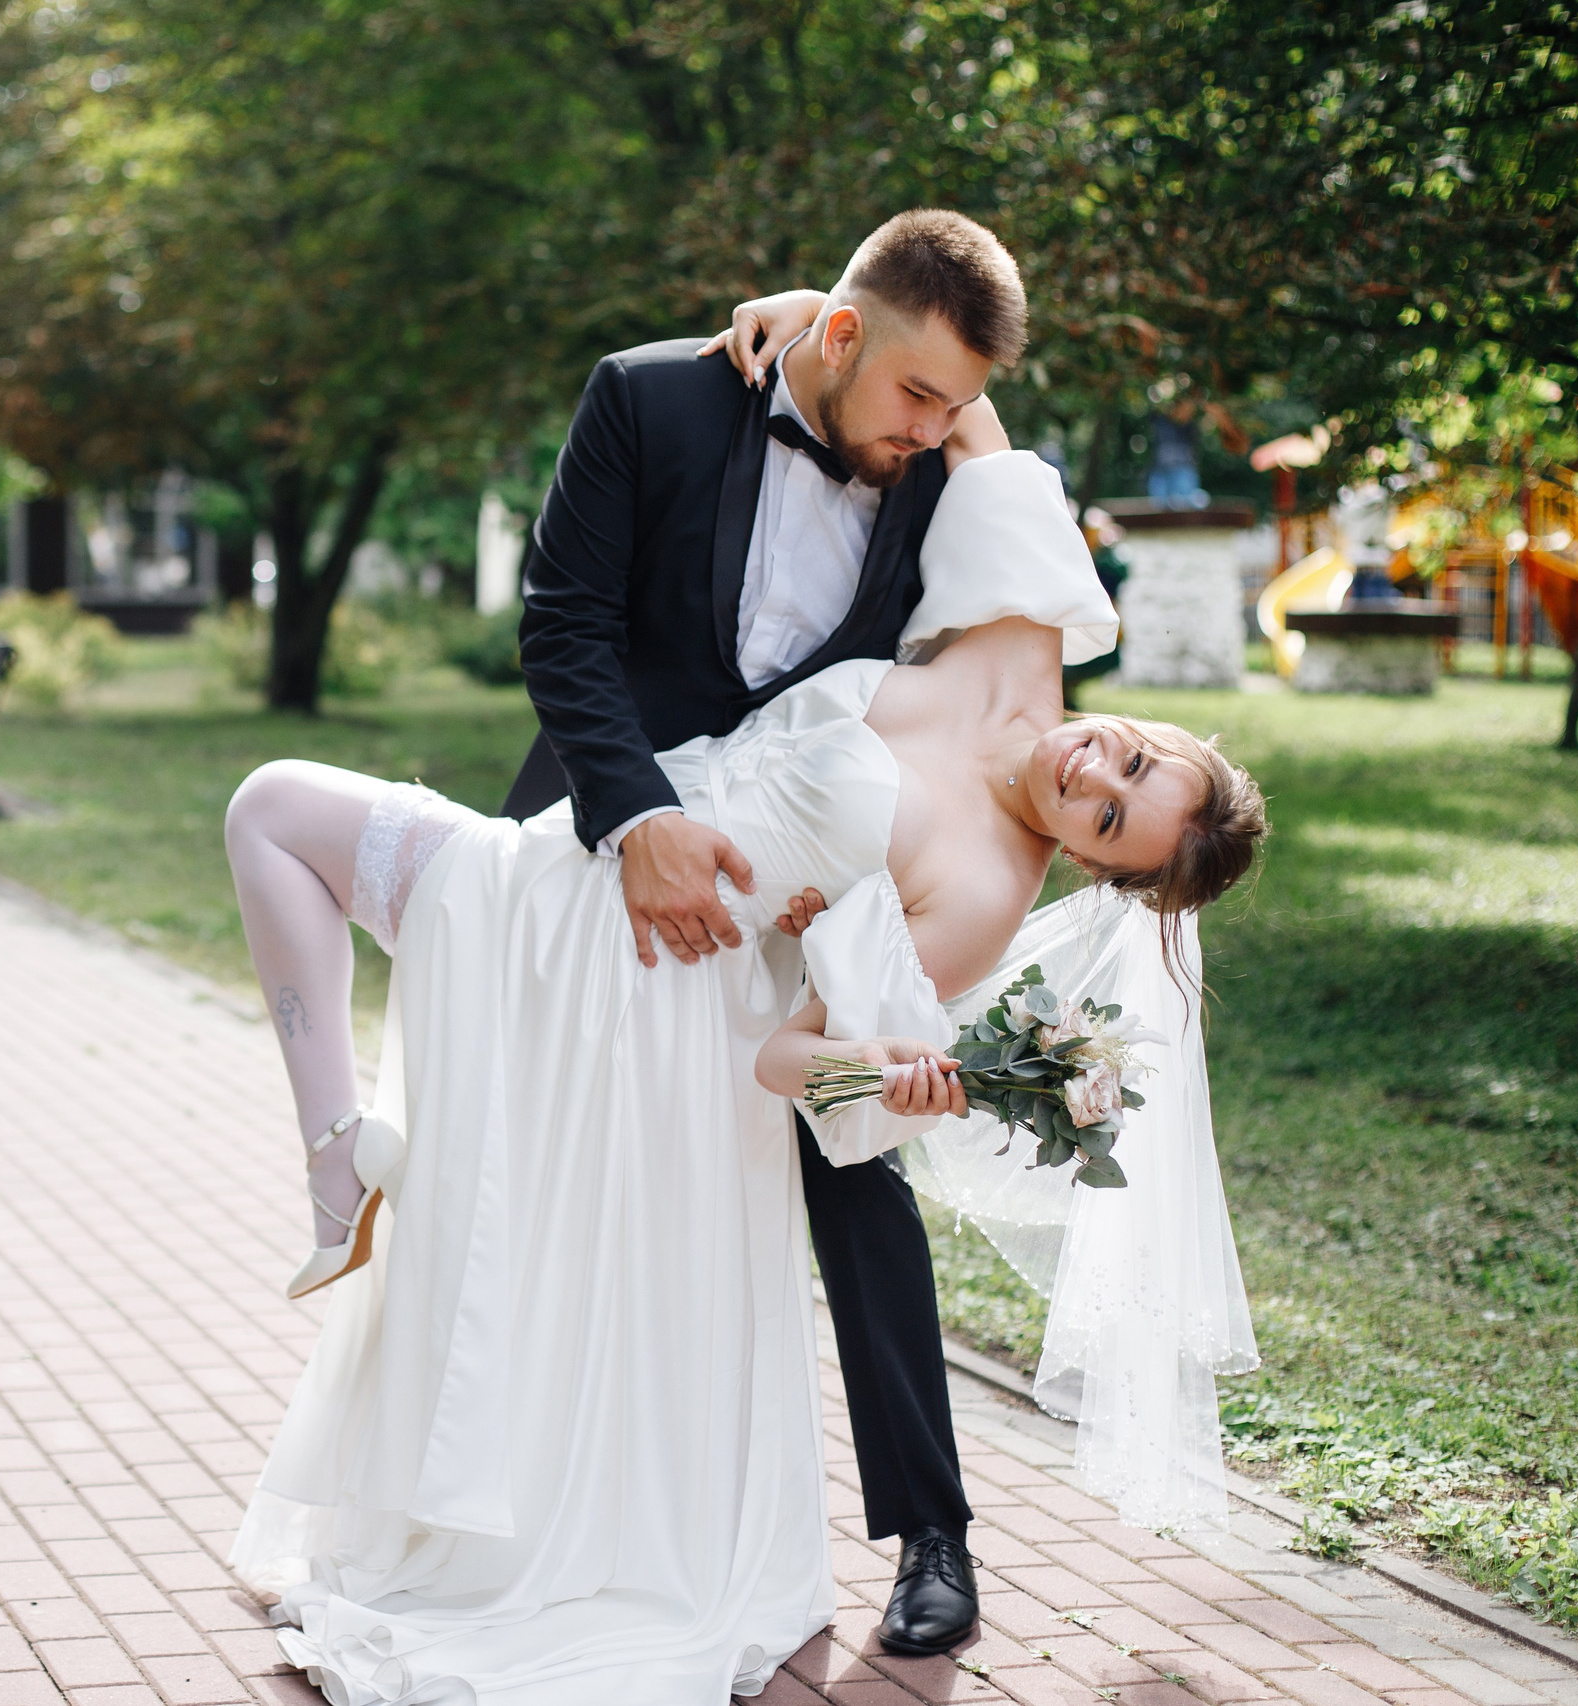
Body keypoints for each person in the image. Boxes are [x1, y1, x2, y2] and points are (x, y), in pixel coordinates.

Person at [216, 370, 1267, 1703]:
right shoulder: (1021, 641)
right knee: (274, 818)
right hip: (590, 844)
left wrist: (884, 1071)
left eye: (1114, 820)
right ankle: (340, 1150)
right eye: (1132, 758)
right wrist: (789, 324)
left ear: (1099, 869)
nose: (1094, 777)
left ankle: (343, 1166)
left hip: (647, 966)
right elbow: (960, 390)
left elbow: (784, 1060)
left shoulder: (983, 897)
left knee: (273, 807)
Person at [499, 208, 1029, 1661]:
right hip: (617, 843)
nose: (934, 429)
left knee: (856, 1159)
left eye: (956, 404)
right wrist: (633, 814)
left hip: (816, 873)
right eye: (919, 395)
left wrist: (825, 315)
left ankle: (934, 1533)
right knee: (548, 1153)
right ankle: (531, 1495)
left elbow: (1027, 515)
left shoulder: (938, 468)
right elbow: (563, 624)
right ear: (842, 342)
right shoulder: (649, 394)